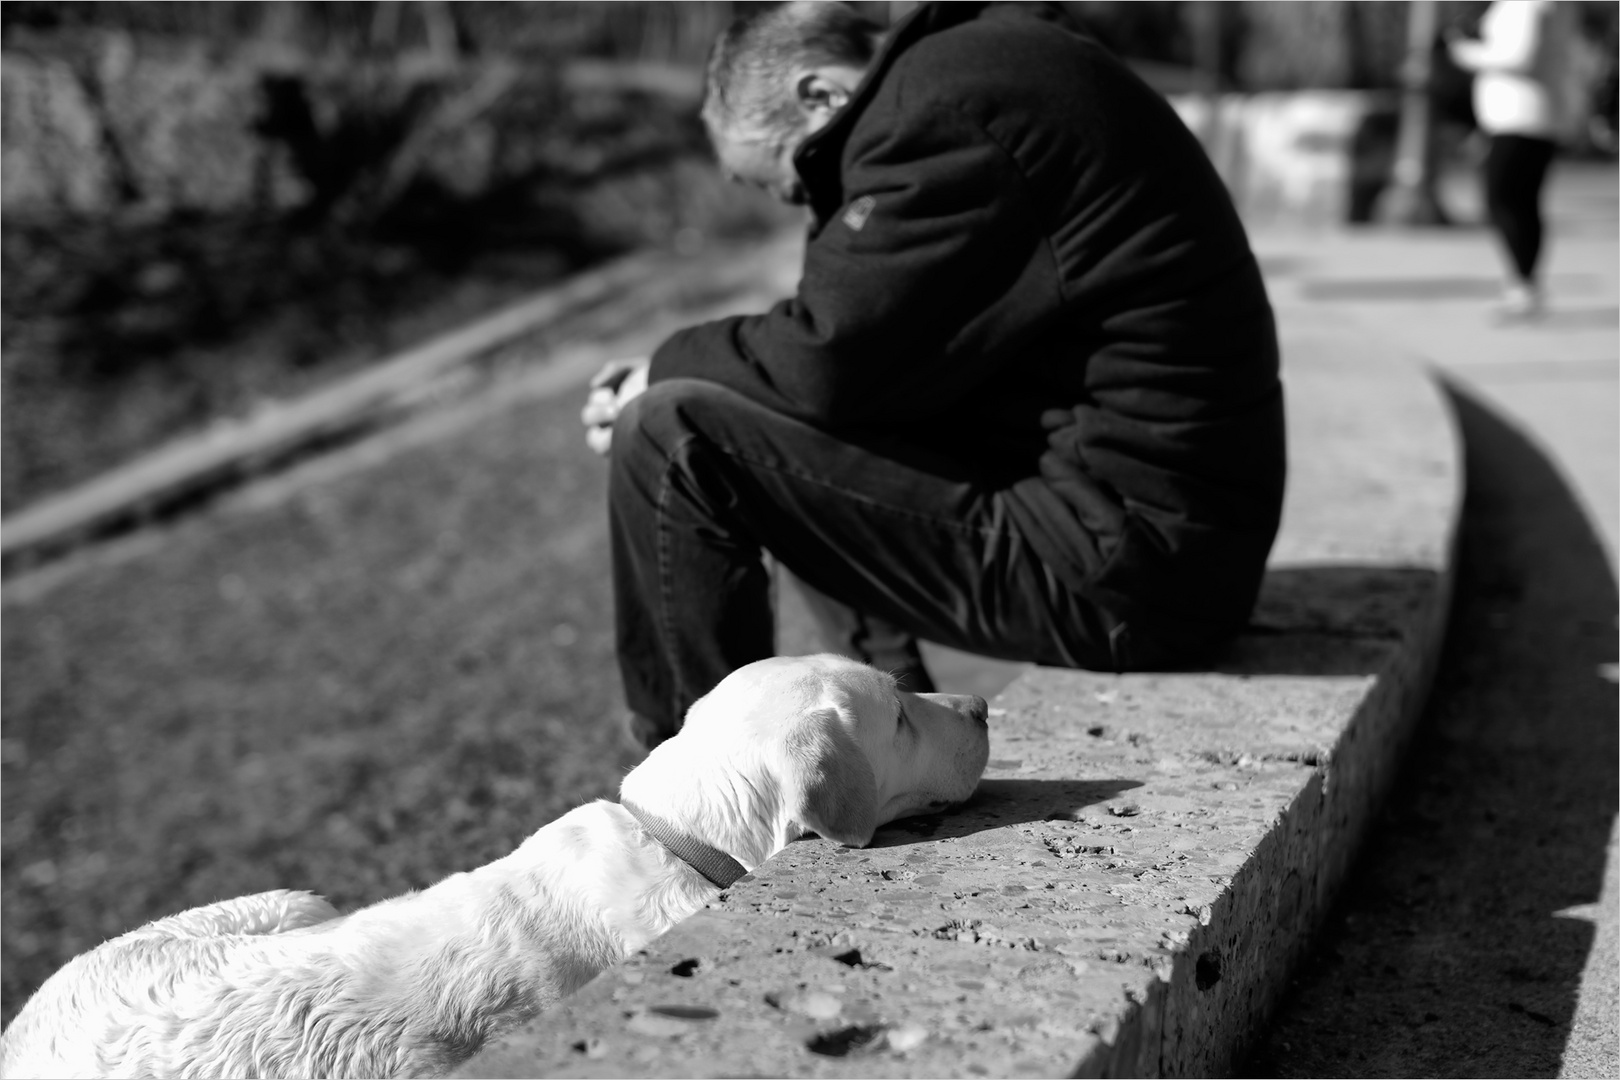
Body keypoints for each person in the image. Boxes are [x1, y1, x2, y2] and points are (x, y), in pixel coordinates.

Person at [581, 1, 1286, 748]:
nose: (816, 205)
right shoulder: (982, 68)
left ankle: (695, 786)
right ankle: (882, 738)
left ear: (820, 96)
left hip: (1130, 571)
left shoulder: (940, 113)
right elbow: (855, 359)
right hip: (1164, 549)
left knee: (671, 432)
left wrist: (659, 368)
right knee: (772, 407)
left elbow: (829, 357)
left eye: (799, 182)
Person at [1447, 0, 1578, 320]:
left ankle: (1523, 285)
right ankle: (1524, 286)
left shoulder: (1531, 4)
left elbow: (1520, 57)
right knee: (1522, 202)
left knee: (1502, 198)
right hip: (1528, 116)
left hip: (1521, 118)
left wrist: (1464, 52)